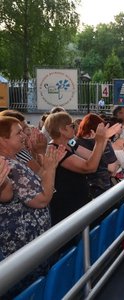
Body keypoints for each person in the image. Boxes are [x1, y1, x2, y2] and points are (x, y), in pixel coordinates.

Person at [0, 116, 64, 297]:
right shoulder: (8, 166)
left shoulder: (15, 162)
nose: (23, 135)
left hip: (33, 247)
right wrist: (50, 169)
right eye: (18, 132)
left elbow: (38, 181)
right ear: (2, 139)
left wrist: (49, 166)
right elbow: (42, 199)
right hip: (22, 251)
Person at [44, 112, 120, 225]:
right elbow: (90, 167)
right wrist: (99, 141)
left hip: (79, 200)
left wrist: (103, 139)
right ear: (62, 130)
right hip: (68, 205)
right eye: (72, 126)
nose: (75, 128)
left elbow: (92, 156)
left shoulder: (71, 143)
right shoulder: (55, 150)